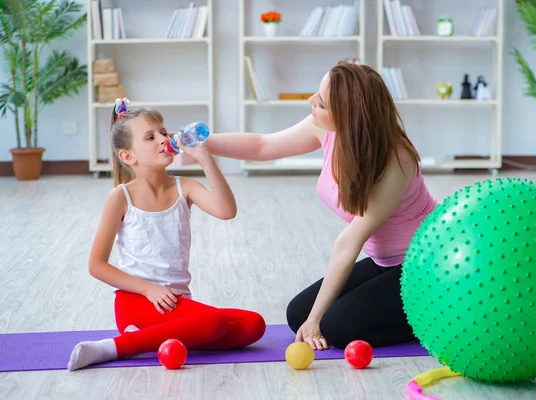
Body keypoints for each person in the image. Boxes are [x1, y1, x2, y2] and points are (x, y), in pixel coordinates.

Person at [204, 62, 438, 351]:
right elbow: (262, 145)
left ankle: (437, 317)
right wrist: (201, 142)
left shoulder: (396, 158)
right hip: (385, 262)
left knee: (334, 328)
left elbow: (350, 240)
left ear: (349, 115)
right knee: (297, 314)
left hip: (424, 263)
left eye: (322, 102)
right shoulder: (327, 127)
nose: (311, 102)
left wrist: (317, 319)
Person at [67, 98, 266, 371]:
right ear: (128, 156)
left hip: (177, 303)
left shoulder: (185, 186)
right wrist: (149, 289)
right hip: (137, 301)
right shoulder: (120, 197)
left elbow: (226, 210)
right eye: (151, 137)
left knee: (254, 325)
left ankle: (146, 338)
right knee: (215, 324)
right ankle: (115, 347)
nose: (163, 139)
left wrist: (205, 159)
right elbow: (96, 265)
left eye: (163, 132)